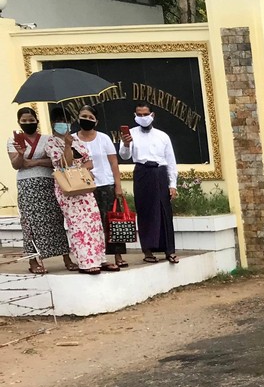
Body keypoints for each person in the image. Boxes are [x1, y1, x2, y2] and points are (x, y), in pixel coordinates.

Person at [46, 106, 113, 275]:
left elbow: (89, 162)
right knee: (78, 224)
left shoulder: (76, 140)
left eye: (66, 121)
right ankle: (86, 261)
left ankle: (100, 258)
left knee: (93, 220)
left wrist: (77, 164)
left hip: (83, 185)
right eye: (59, 121)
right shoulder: (51, 142)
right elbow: (63, 164)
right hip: (67, 189)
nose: (63, 124)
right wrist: (67, 148)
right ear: (53, 123)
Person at [8, 106, 73, 274]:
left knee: (55, 219)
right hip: (26, 185)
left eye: (31, 120)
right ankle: (33, 260)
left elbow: (55, 161)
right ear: (19, 123)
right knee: (30, 222)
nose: (28, 123)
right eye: (24, 121)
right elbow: (16, 165)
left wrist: (35, 162)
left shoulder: (48, 139)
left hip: (48, 183)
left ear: (37, 120)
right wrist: (21, 154)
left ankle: (66, 257)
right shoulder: (13, 141)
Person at [119, 101, 179, 264]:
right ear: (135, 116)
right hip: (142, 172)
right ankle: (148, 250)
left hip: (160, 173)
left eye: (146, 114)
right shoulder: (130, 134)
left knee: (164, 212)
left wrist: (172, 184)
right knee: (145, 211)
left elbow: (171, 161)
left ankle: (169, 251)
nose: (143, 117)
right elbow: (124, 156)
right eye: (139, 115)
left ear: (152, 115)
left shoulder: (162, 136)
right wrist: (126, 143)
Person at [75, 105, 126, 268]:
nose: (86, 120)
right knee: (91, 224)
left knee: (111, 221)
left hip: (105, 185)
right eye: (83, 116)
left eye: (90, 117)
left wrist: (118, 186)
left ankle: (117, 255)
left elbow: (113, 162)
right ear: (78, 118)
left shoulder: (103, 138)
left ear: (96, 121)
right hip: (84, 188)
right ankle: (97, 256)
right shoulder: (72, 139)